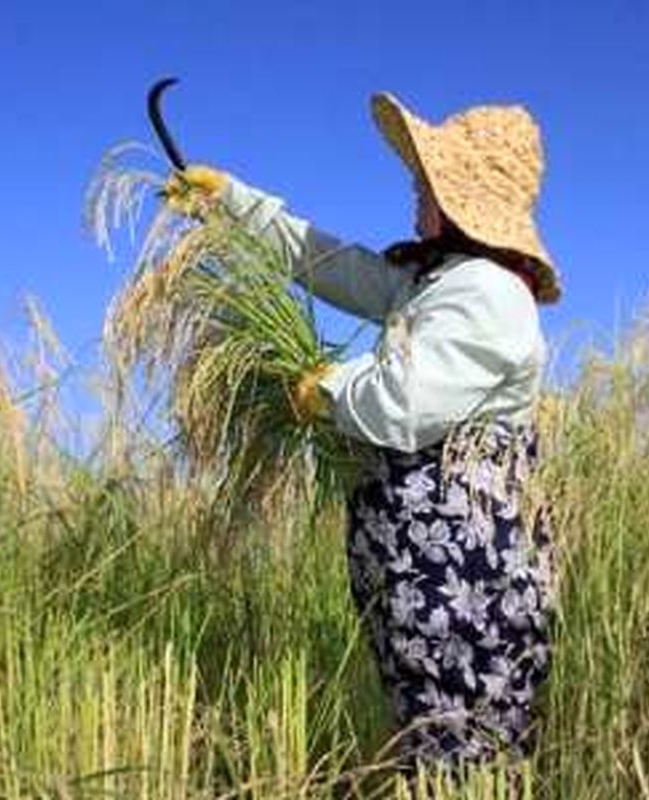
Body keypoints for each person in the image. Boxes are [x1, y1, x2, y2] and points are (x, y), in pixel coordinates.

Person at [162, 91, 561, 777]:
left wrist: (328, 390)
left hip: (465, 590)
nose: (415, 189)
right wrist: (232, 203)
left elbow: (404, 402)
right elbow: (331, 263)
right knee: (432, 750)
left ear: (462, 200)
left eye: (426, 181)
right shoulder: (438, 283)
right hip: (422, 582)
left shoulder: (489, 296)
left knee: (462, 759)